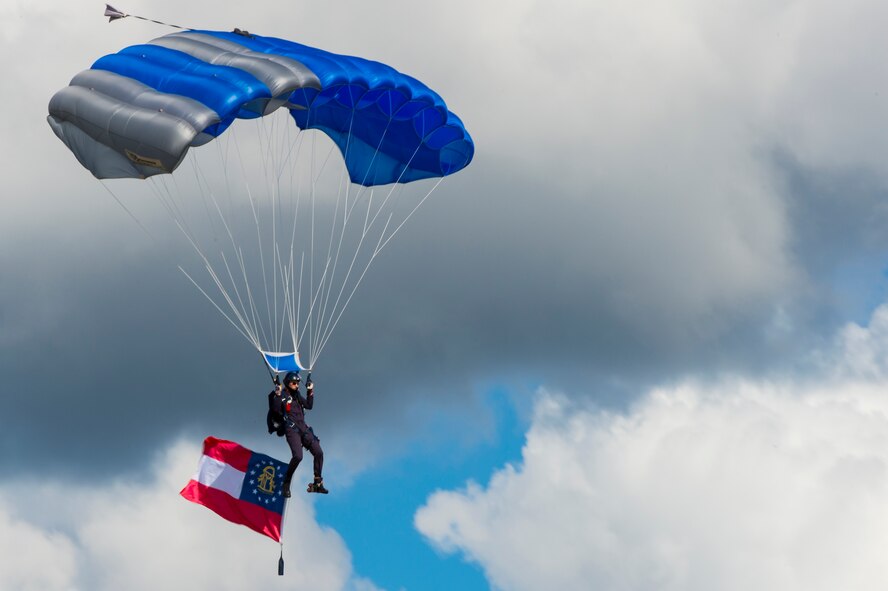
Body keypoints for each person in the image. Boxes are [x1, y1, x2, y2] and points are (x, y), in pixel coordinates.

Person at [269, 371, 328, 496]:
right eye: (294, 383)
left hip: (304, 429)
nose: (296, 385)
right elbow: (275, 410)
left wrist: (310, 391)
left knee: (319, 452)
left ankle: (317, 483)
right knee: (298, 456)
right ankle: (286, 482)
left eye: (297, 383)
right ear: (287, 383)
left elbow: (309, 405)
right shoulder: (282, 395)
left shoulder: (297, 395)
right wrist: (278, 394)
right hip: (291, 429)